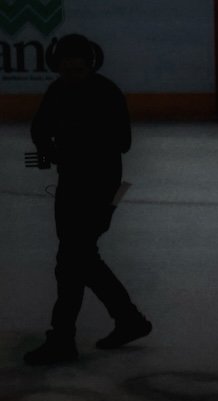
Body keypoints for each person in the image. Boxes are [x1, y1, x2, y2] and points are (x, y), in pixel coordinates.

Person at [24, 33, 150, 366]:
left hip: (99, 189)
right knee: (80, 258)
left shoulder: (106, 93)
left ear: (90, 66)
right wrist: (54, 153)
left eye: (78, 70)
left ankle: (63, 338)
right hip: (71, 186)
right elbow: (39, 129)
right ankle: (128, 319)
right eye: (66, 70)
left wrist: (79, 144)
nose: (72, 76)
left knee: (71, 261)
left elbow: (123, 142)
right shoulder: (57, 91)